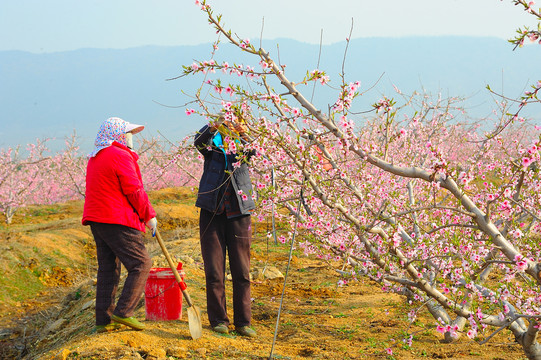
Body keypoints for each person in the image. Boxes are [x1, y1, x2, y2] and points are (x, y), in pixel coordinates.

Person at [82, 117, 157, 333]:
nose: (130, 138)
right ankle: (124, 312)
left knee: (108, 268)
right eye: (127, 133)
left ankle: (103, 321)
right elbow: (133, 190)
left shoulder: (96, 156)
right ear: (117, 135)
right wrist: (148, 215)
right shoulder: (119, 155)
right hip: (116, 218)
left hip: (97, 219)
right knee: (141, 263)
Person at [194, 116, 257, 337]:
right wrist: (212, 126)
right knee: (214, 270)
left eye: (234, 122)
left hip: (239, 213)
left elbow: (255, 150)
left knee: (242, 271)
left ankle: (243, 322)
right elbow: (198, 142)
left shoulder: (243, 147)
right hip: (212, 212)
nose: (230, 127)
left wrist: (245, 132)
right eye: (227, 123)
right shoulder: (212, 147)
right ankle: (219, 320)